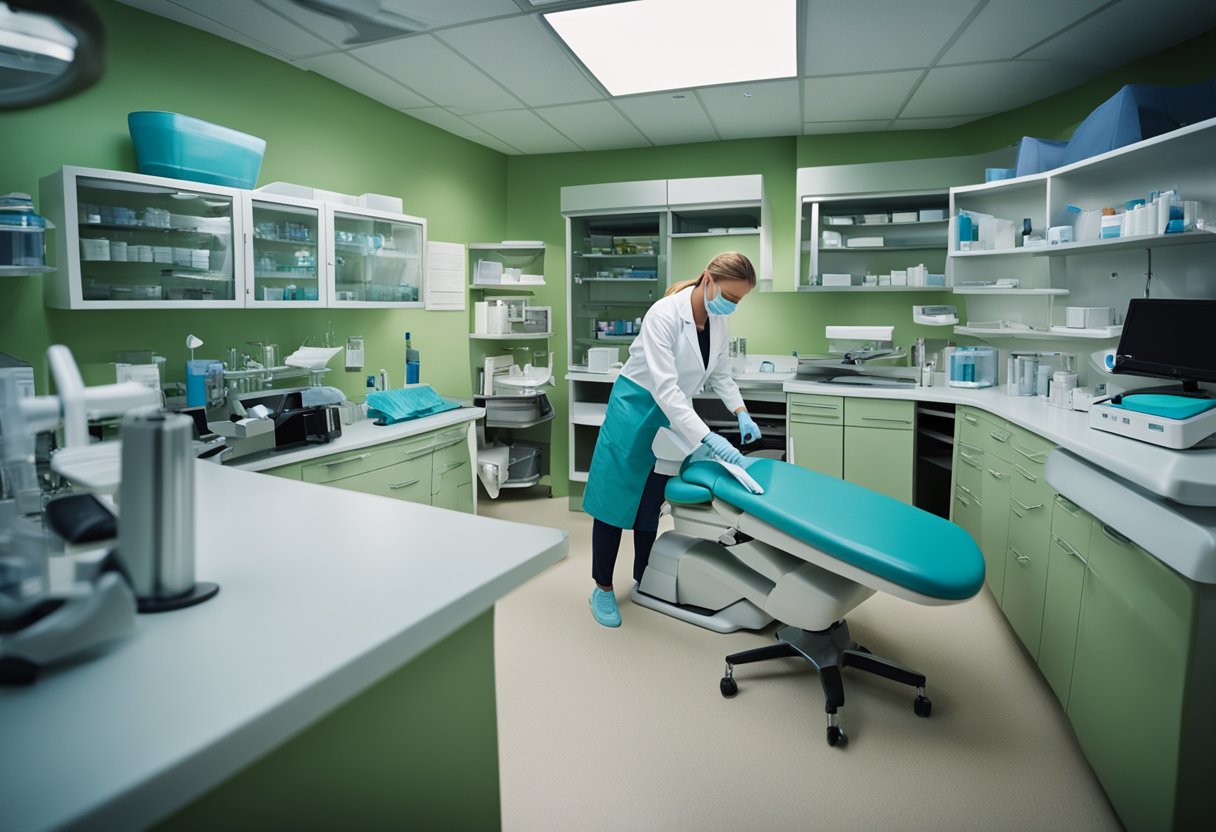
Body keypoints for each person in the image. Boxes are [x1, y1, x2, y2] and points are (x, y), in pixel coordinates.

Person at [582, 252, 762, 628]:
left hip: (672, 412)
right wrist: (709, 437)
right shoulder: (663, 315)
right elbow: (664, 388)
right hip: (636, 408)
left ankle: (644, 577)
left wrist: (740, 411)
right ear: (707, 279)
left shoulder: (716, 321)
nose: (731, 305)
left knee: (651, 502)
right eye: (729, 295)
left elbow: (721, 375)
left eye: (739, 300)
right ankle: (601, 588)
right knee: (614, 503)